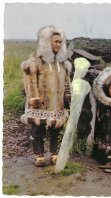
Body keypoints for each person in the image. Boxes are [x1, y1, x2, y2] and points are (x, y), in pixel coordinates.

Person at [20, 25, 72, 167]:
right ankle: (39, 155)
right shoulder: (36, 61)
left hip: (57, 103)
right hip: (41, 103)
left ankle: (54, 153)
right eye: (56, 41)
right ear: (47, 42)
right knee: (38, 128)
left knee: (56, 128)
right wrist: (34, 98)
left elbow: (67, 82)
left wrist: (67, 98)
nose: (58, 44)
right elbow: (30, 81)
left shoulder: (62, 63)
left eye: (61, 42)